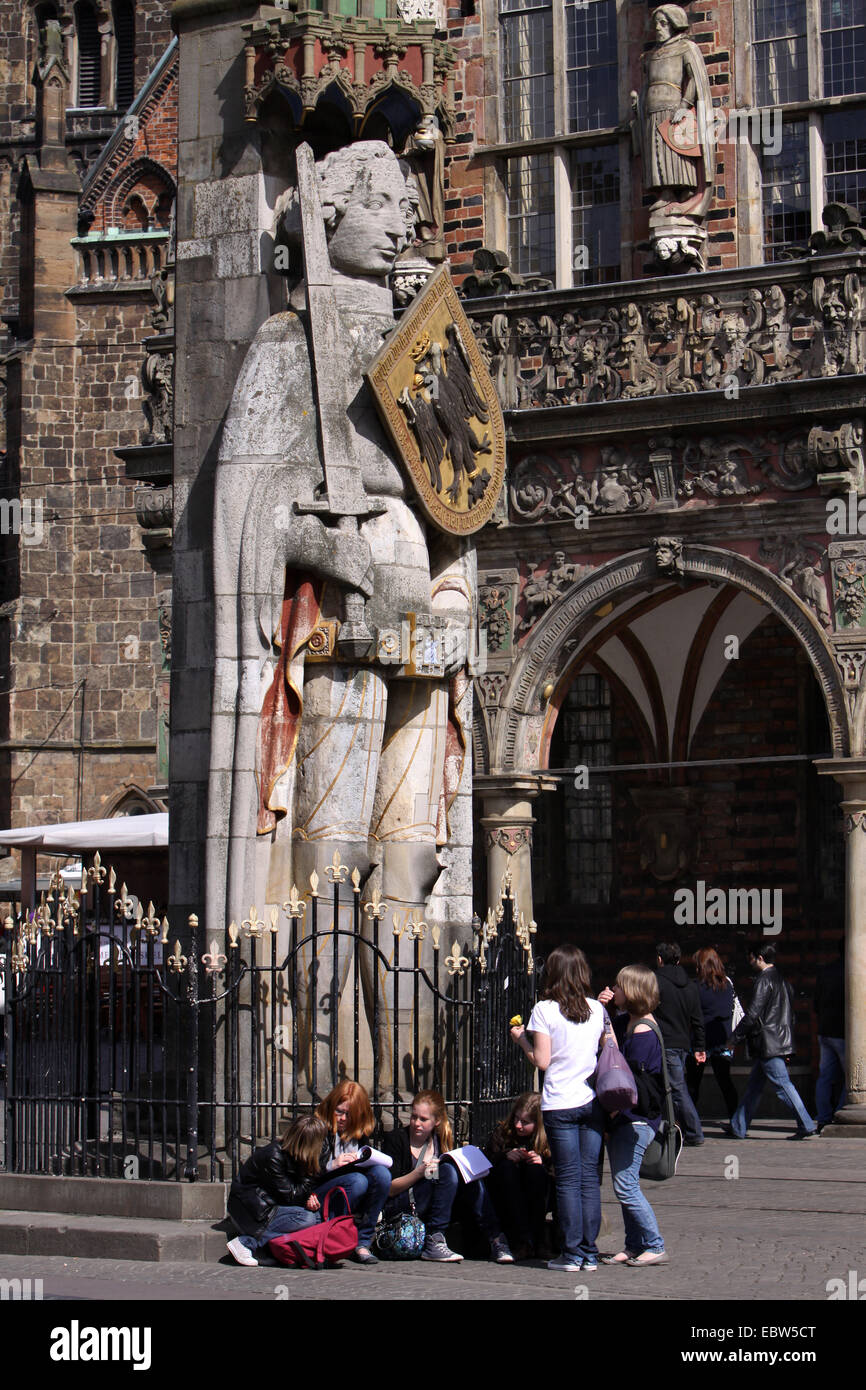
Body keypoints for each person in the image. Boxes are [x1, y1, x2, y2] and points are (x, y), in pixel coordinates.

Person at [510, 945, 606, 1273]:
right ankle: (590, 1253)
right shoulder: (596, 1009)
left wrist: (521, 1039)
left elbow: (542, 1061)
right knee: (589, 1179)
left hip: (560, 1103)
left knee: (566, 1180)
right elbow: (607, 1049)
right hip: (591, 1102)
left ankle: (572, 1253)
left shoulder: (545, 1010)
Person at [381, 1089, 512, 1264]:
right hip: (404, 1204)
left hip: (434, 1203)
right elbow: (390, 1189)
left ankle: (496, 1239)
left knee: (469, 1175)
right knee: (447, 1171)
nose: (416, 1123)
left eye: (423, 1119)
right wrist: (419, 1173)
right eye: (414, 1117)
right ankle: (435, 1239)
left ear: (437, 1121)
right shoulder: (397, 1139)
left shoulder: (438, 1140)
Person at [598, 965, 668, 1267]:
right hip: (624, 1118)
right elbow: (606, 1038)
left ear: (634, 991)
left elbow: (631, 1079)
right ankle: (634, 1243)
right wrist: (601, 1009)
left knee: (625, 1185)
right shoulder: (627, 1021)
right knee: (624, 1182)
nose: (616, 990)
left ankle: (654, 1243)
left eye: (620, 986)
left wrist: (616, 1109)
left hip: (637, 1118)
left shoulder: (642, 1032)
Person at [226, 1113, 355, 1266]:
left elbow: (296, 1190)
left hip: (273, 1204)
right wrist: (315, 1170)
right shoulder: (274, 1156)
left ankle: (278, 1249)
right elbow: (290, 1196)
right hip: (252, 1209)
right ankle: (247, 1242)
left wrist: (309, 1195)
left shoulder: (300, 1154)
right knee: (307, 1219)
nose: (322, 1147)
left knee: (317, 1219)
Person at [725, 944, 817, 1141]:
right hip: (778, 1040)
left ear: (759, 958)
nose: (750, 961)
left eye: (751, 957)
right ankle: (738, 1126)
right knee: (754, 1087)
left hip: (768, 1043)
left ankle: (806, 1123)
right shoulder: (783, 981)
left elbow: (752, 1014)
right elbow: (790, 1015)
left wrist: (734, 1038)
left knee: (783, 1085)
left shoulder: (764, 981)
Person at [316, 1081, 391, 1264]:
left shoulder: (358, 1132)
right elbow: (305, 1170)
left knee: (382, 1175)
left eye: (348, 1115)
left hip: (351, 1186)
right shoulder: (318, 1128)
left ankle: (362, 1242)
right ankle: (334, 1237)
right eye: (338, 1111)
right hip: (319, 1190)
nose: (342, 1118)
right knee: (358, 1181)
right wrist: (331, 1164)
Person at [483, 1092, 553, 1261]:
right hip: (507, 1193)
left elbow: (557, 1170)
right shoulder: (503, 1133)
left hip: (537, 1191)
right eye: (516, 1119)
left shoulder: (548, 1138)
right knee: (508, 1169)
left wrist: (541, 1162)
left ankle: (537, 1241)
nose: (518, 1125)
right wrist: (505, 1155)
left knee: (536, 1173)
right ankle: (521, 1241)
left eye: (525, 1122)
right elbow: (487, 1160)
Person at [654, 941, 706, 1146]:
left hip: (664, 1041)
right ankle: (673, 1126)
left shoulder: (655, 982)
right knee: (672, 1086)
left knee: (676, 1088)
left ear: (659, 959)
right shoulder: (690, 985)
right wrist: (700, 1047)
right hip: (683, 1043)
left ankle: (694, 1131)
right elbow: (698, 1019)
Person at [686, 947, 739, 1120]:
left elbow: (692, 1014)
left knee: (693, 1084)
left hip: (700, 1042)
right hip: (723, 1040)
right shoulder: (727, 984)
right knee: (725, 1082)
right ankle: (736, 1119)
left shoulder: (696, 987)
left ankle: (689, 1124)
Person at [814, 940, 845, 1131]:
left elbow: (816, 1003)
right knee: (854, 1078)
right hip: (844, 1032)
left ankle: (823, 1117)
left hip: (825, 1030)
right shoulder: (856, 969)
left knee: (825, 1076)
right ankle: (842, 1113)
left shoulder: (826, 971)